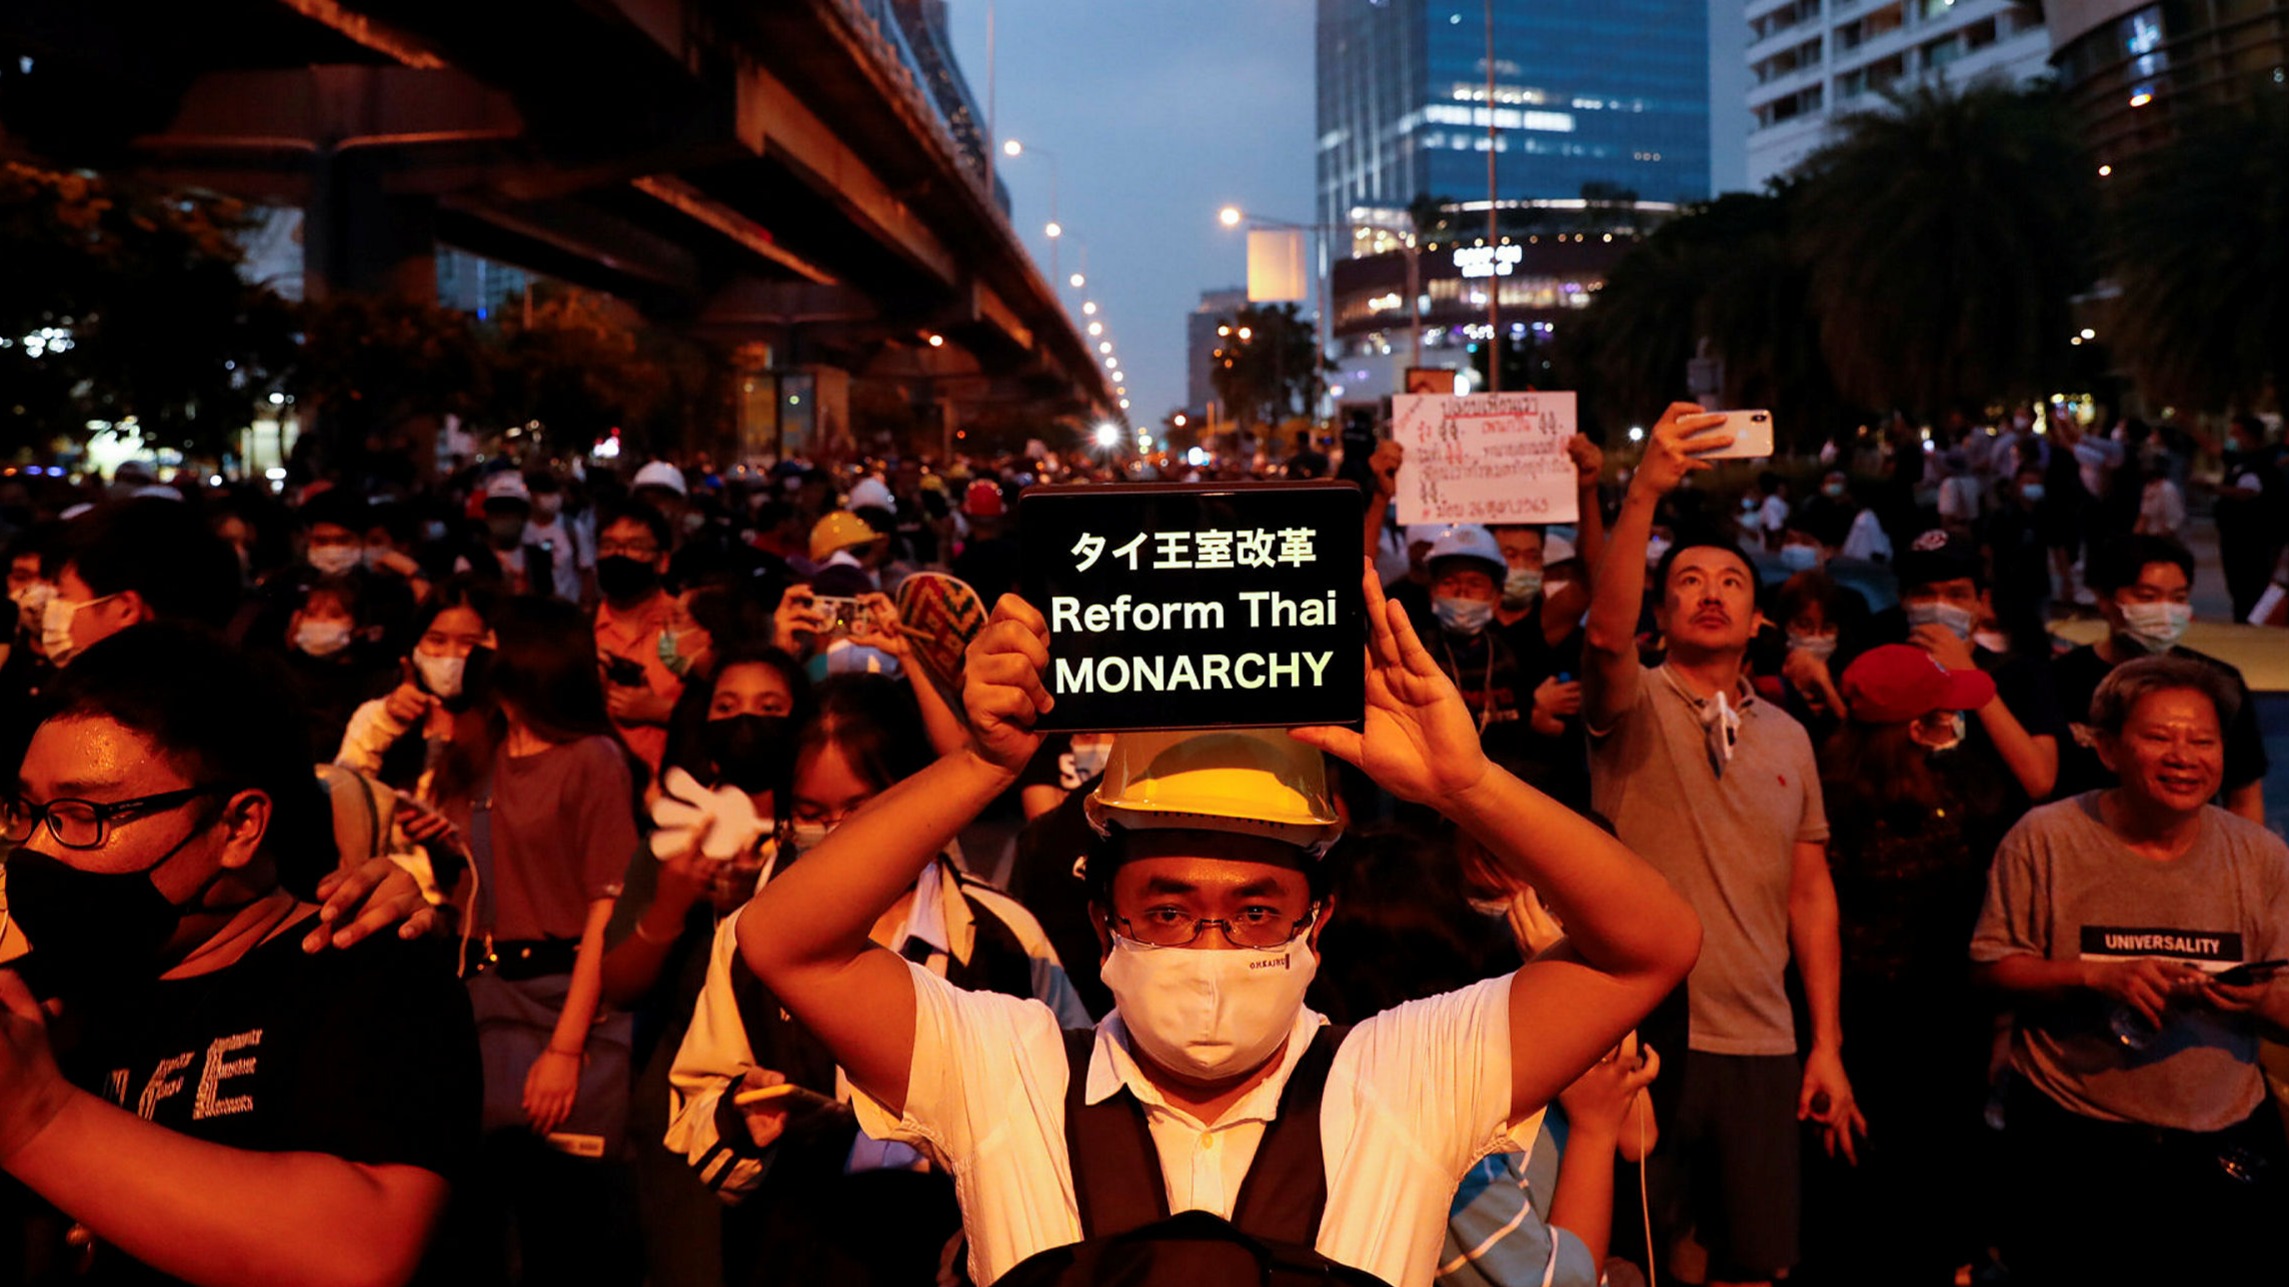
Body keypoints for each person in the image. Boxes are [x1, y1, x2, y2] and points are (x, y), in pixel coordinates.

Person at [730, 563, 1700, 1287]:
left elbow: (1652, 943)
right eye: (1168, 909)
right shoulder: (1002, 1066)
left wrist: (1469, 787)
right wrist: (984, 764)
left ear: (1316, 923)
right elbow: (782, 941)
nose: (1211, 948)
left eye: (1254, 911)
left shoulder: (1407, 1075)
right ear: (1104, 921)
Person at [0, 623, 479, 1285]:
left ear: (238, 825)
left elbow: (363, 1246)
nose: (42, 851)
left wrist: (38, 1120)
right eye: (27, 810)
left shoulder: (366, 967)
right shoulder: (52, 989)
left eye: (88, 814)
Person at [668, 676, 1088, 1285]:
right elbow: (695, 1108)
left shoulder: (1003, 937)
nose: (836, 833)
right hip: (798, 1253)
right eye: (811, 815)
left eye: (859, 811)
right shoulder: (747, 941)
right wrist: (739, 1116)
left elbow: (1069, 1104)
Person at [1581, 403, 1861, 1287]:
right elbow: (1601, 634)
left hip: (1761, 1043)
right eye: (1688, 581)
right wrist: (1641, 497)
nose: (1710, 591)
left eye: (1731, 582)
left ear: (1757, 623)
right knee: (1642, 1264)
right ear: (1660, 616)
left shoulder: (1787, 735)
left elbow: (1809, 894)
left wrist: (1826, 1041)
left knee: (1752, 1263)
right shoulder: (1627, 706)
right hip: (1640, 1035)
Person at [1971, 655, 2289, 1286]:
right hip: (2076, 1141)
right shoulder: (2047, 838)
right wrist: (2096, 977)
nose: (2184, 756)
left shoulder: (2260, 856)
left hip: (2220, 1146)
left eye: (2203, 740)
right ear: (2109, 748)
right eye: (2159, 737)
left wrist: (2252, 1001)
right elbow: (1989, 970)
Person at [432, 596, 644, 1286]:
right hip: (480, 997)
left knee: (566, 1226)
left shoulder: (592, 758)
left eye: (489, 642)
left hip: (556, 996)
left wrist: (565, 1046)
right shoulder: (478, 748)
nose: (473, 655)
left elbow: (602, 910)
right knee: (479, 1220)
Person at [1809, 645, 2011, 1287]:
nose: (1956, 726)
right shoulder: (1842, 807)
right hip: (1878, 1031)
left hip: (1945, 1026)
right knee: (1877, 1194)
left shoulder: (1940, 784)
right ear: (1915, 730)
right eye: (1944, 714)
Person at [2051, 535, 2267, 823]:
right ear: (2104, 599)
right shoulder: (2058, 679)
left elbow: (2244, 796)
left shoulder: (2219, 681)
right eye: (2147, 597)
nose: (2165, 611)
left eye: (2178, 598)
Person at [592, 503, 686, 777]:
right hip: (599, 791)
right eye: (608, 545)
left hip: (679, 796)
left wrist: (662, 711)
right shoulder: (577, 633)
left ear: (663, 561)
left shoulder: (690, 627)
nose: (619, 555)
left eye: (635, 546)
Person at [2209, 413, 2286, 622]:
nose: (2232, 438)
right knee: (2238, 586)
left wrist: (2215, 488)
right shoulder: (2241, 459)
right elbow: (2215, 449)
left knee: (2252, 586)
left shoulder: (2266, 460)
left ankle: (2251, 626)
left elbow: (2249, 492)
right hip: (2234, 535)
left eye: (2236, 433)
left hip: (2254, 537)